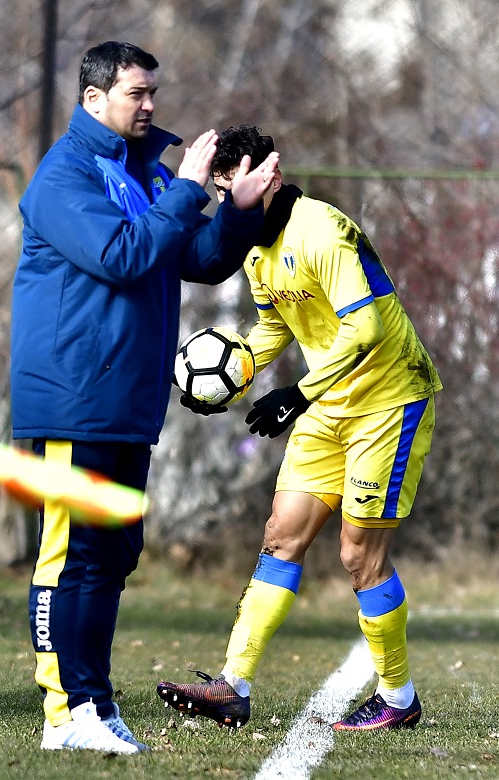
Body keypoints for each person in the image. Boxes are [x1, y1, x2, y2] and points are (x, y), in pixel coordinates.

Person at [10, 42, 279, 754]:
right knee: (75, 557)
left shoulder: (142, 172)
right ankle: (66, 712)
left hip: (125, 403)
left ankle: (94, 704)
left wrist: (240, 213)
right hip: (73, 399)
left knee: (111, 556)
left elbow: (197, 258)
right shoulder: (64, 176)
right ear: (94, 99)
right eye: (137, 93)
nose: (151, 105)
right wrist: (188, 191)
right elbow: (122, 256)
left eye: (154, 91)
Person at [155, 125, 442, 732]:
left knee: (358, 555)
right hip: (330, 404)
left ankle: (398, 697)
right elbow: (275, 326)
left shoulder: (321, 229)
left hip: (389, 401)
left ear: (272, 175)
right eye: (224, 187)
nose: (229, 197)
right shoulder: (255, 248)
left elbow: (363, 331)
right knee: (281, 538)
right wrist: (235, 371)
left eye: (240, 184)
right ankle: (233, 687)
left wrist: (296, 393)